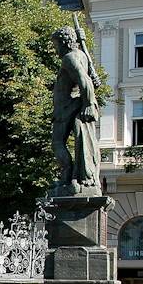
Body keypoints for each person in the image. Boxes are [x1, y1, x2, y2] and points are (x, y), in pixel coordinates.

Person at [51, 26, 102, 197]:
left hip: (65, 107)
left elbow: (84, 80)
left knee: (57, 143)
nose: (55, 49)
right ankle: (74, 176)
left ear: (64, 42)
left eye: (56, 44)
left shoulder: (69, 58)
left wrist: (89, 103)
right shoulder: (81, 55)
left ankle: (67, 176)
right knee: (78, 141)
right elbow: (89, 79)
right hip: (72, 105)